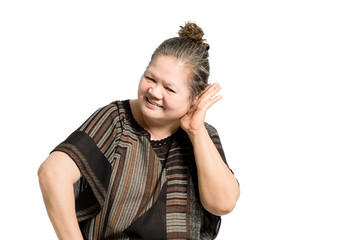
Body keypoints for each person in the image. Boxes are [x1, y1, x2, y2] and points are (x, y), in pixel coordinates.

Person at [38, 21, 240, 240]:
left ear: (195, 97)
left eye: (169, 88)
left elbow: (223, 204)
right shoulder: (116, 121)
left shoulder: (203, 135)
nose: (154, 91)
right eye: (150, 78)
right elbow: (52, 173)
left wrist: (196, 131)